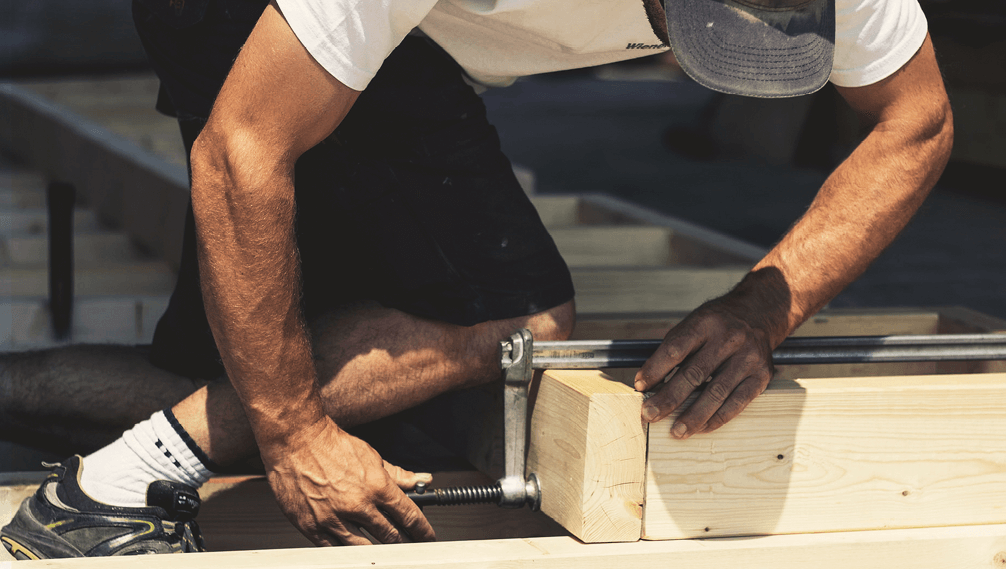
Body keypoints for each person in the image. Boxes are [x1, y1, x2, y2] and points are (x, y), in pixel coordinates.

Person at [1, 0, 952, 558]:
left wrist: (760, 307)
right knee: (509, 315)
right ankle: (105, 494)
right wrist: (293, 432)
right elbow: (241, 150)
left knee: (252, 358)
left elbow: (914, 120)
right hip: (253, 18)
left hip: (404, 47)